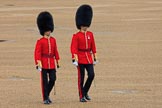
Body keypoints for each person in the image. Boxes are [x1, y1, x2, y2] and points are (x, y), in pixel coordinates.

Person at [70, 4, 97, 102]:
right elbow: (73, 48)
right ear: (80, 24)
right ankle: (81, 96)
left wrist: (95, 56)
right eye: (84, 25)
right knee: (81, 78)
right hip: (80, 58)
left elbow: (93, 47)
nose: (85, 26)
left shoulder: (90, 34)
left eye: (86, 24)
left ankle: (85, 91)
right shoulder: (76, 36)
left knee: (91, 75)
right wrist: (74, 58)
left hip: (88, 58)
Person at [34, 11, 60, 104]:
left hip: (51, 63)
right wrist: (38, 63)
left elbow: (55, 51)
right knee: (44, 82)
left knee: (53, 79)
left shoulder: (53, 40)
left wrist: (57, 60)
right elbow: (37, 53)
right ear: (43, 30)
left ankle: (46, 94)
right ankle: (45, 98)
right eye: (47, 30)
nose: (49, 31)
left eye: (49, 30)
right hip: (44, 63)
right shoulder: (40, 41)